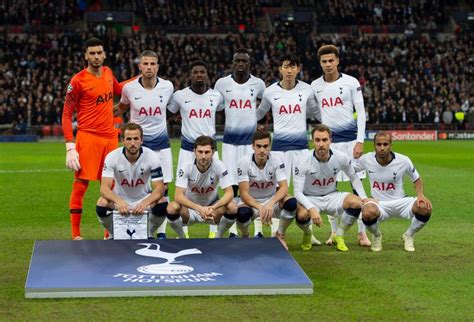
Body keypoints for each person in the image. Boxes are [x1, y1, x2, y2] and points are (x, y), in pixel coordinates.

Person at [62, 37, 125, 240]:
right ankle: (76, 234)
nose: (96, 56)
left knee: (110, 185)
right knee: (81, 184)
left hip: (110, 138)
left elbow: (119, 90)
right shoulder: (78, 81)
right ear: (86, 56)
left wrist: (140, 79)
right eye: (92, 53)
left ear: (104, 54)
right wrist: (70, 146)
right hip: (88, 137)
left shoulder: (108, 73)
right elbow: (66, 114)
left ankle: (108, 234)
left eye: (99, 52)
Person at [256, 53, 321, 245]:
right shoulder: (269, 92)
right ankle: (275, 233)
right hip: (278, 150)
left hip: (301, 148)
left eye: (293, 67)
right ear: (280, 69)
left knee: (304, 192)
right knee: (277, 193)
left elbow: (316, 112)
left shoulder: (307, 90)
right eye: (286, 66)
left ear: (298, 69)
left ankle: (309, 232)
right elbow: (259, 113)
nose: (289, 70)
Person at [311, 44, 371, 247]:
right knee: (329, 189)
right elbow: (315, 114)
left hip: (352, 142)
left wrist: (360, 140)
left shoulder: (351, 82)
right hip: (330, 145)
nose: (328, 65)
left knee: (358, 186)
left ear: (337, 61)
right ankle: (334, 232)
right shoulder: (314, 86)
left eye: (331, 60)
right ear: (320, 63)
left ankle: (362, 233)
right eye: (324, 61)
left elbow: (361, 113)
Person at [117, 50, 174, 239]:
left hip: (162, 145)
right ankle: (140, 228)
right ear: (139, 66)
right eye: (145, 64)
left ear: (157, 66)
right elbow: (122, 107)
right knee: (143, 188)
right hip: (139, 148)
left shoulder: (168, 87)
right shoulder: (129, 89)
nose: (149, 67)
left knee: (163, 188)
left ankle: (162, 230)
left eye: (152, 64)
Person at [167, 61, 224, 238]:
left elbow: (220, 112)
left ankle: (213, 228)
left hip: (210, 149)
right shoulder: (179, 96)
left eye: (202, 71)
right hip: (187, 149)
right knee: (184, 188)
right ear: (190, 75)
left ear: (207, 75)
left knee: (213, 186)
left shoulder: (217, 96)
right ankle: (183, 231)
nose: (199, 75)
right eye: (196, 72)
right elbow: (169, 114)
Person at [214, 48, 266, 238]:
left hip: (249, 144)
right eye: (238, 61)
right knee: (232, 187)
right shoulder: (222, 83)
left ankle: (258, 229)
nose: (241, 64)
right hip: (229, 144)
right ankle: (233, 230)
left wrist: (256, 117)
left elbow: (265, 104)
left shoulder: (258, 84)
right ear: (233, 63)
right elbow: (215, 105)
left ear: (249, 63)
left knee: (253, 184)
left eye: (244, 60)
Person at [293, 125, 368, 251]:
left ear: (330, 141)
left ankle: (339, 235)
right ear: (312, 141)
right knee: (301, 215)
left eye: (324, 140)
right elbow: (297, 192)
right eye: (317, 140)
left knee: (356, 203)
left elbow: (354, 177)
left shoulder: (341, 157)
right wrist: (311, 208)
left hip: (332, 196)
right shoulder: (303, 161)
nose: (321, 144)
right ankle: (308, 234)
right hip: (310, 198)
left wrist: (364, 197)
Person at [354, 131, 432, 252]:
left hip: (401, 201)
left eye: (385, 144)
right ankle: (377, 236)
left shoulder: (403, 160)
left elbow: (416, 179)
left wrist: (420, 195)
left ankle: (409, 235)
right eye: (378, 144)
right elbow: (349, 169)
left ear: (391, 145)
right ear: (374, 145)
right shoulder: (366, 159)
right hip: (378, 203)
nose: (382, 148)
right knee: (367, 212)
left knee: (425, 207)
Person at [95, 123, 166, 239]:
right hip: (120, 199)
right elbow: (104, 188)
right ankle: (113, 234)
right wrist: (118, 201)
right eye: (128, 139)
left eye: (136, 139)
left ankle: (148, 233)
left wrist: (145, 202)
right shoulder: (112, 157)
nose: (132, 143)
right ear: (123, 141)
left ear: (141, 140)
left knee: (162, 202)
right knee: (102, 203)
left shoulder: (151, 156)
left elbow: (159, 189)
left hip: (143, 199)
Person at [237, 130, 303, 250]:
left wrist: (270, 203)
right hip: (252, 203)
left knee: (292, 203)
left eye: (265, 146)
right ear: (253, 146)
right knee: (242, 214)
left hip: (272, 202)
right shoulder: (244, 162)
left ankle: (280, 234)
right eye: (259, 146)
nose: (262, 150)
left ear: (270, 146)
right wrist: (260, 207)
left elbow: (284, 187)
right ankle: (245, 235)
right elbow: (244, 193)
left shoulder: (277, 160)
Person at [166, 136, 238, 238]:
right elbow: (178, 196)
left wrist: (213, 207)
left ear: (213, 152)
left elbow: (229, 193)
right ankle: (182, 237)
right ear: (194, 151)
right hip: (190, 209)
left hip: (212, 210)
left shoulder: (219, 165)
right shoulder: (186, 166)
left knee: (233, 207)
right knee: (172, 207)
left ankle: (218, 236)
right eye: (200, 152)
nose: (203, 156)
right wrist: (199, 208)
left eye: (207, 152)